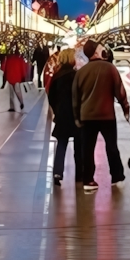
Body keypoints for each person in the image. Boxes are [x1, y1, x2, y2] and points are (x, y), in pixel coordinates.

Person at [72, 39, 129, 191]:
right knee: (111, 146)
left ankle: (88, 180)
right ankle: (117, 176)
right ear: (97, 51)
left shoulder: (81, 72)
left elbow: (75, 98)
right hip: (106, 116)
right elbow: (120, 91)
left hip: (87, 116)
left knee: (87, 149)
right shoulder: (110, 68)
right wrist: (126, 108)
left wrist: (77, 117)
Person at [47, 48, 78, 185]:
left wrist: (57, 111)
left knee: (61, 145)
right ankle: (80, 174)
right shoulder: (76, 75)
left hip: (62, 116)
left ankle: (57, 173)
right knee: (79, 146)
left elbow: (51, 96)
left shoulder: (57, 76)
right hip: (75, 114)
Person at [1, 46, 29, 112]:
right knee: (18, 91)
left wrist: (3, 73)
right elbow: (24, 68)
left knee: (10, 92)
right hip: (17, 77)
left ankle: (11, 106)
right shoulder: (20, 58)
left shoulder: (8, 58)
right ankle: (21, 103)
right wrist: (24, 76)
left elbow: (3, 67)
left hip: (9, 77)